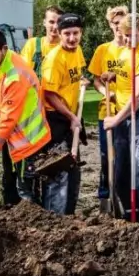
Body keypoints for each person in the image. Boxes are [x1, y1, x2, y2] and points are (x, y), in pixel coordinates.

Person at [0, 29, 51, 198]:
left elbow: (8, 119)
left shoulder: (15, 75)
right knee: (11, 181)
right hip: (17, 137)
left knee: (26, 189)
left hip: (28, 140)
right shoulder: (5, 60)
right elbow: (9, 99)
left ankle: (32, 222)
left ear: (4, 48)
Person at [104, 14, 139, 222]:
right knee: (122, 173)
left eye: (132, 35)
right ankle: (129, 217)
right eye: (125, 35)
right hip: (124, 117)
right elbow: (126, 78)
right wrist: (113, 78)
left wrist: (115, 119)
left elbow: (138, 97)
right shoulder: (124, 52)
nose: (128, 40)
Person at [40, 13, 87, 215]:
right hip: (56, 120)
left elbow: (74, 76)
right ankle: (54, 219)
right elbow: (49, 94)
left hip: (70, 116)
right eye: (67, 34)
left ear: (81, 33)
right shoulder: (54, 59)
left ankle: (68, 217)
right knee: (58, 171)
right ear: (59, 34)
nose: (71, 38)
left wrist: (81, 82)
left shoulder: (77, 51)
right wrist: (71, 117)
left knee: (72, 169)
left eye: (75, 33)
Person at [88, 5, 127, 212]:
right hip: (108, 112)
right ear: (110, 25)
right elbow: (96, 79)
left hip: (127, 112)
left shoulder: (133, 50)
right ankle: (105, 201)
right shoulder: (103, 50)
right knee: (106, 157)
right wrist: (106, 92)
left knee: (124, 157)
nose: (119, 27)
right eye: (115, 23)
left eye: (122, 22)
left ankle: (122, 197)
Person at [21, 5, 63, 77]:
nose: (55, 26)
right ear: (44, 22)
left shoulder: (68, 48)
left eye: (59, 22)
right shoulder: (32, 44)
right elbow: (22, 72)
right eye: (51, 22)